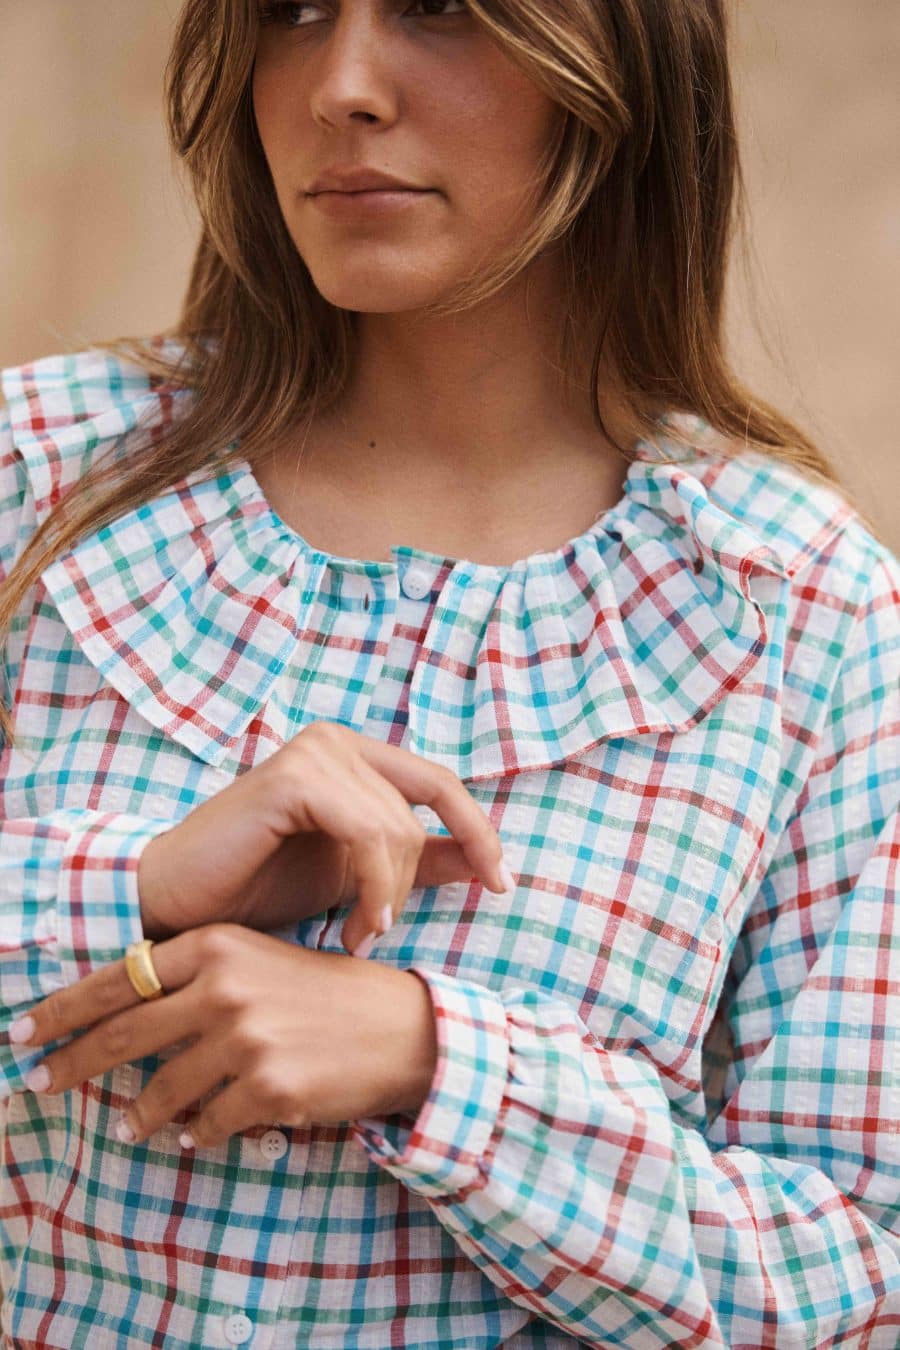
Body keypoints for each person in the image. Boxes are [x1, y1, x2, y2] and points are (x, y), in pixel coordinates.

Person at [0, 0, 897, 1344]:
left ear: (622, 66)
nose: (341, 86)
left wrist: (441, 1063)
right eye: (294, 13)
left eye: (438, 10)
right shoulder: (38, 480)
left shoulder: (801, 607)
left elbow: (859, 1275)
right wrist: (127, 890)